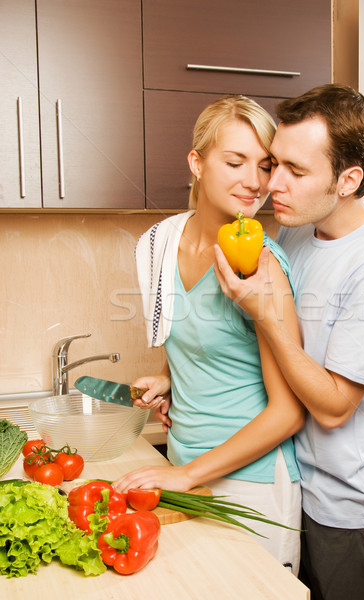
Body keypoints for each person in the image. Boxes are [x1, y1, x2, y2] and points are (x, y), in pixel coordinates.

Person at [214, 84, 364, 600]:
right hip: (296, 488)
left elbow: (331, 408)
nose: (272, 184)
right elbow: (280, 358)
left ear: (348, 179)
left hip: (348, 508)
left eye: (296, 171)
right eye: (275, 163)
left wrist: (263, 314)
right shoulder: (298, 231)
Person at [113, 95, 305, 573]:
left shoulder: (260, 265)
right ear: (196, 163)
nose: (254, 181)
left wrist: (185, 474)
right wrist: (169, 376)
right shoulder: (163, 244)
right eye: (235, 161)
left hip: (252, 483)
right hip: (183, 466)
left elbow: (288, 413)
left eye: (265, 165)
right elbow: (206, 336)